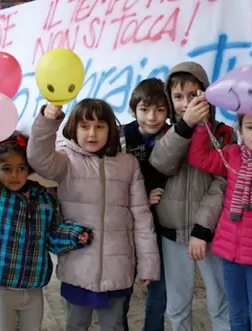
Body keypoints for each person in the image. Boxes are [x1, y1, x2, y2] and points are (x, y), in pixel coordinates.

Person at [27, 99, 160, 331]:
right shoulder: (65, 161)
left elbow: (141, 217)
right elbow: (38, 157)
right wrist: (47, 120)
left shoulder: (127, 164)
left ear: (110, 129)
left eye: (100, 126)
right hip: (79, 266)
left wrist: (148, 263)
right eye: (84, 126)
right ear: (73, 128)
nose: (92, 133)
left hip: (117, 267)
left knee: (114, 325)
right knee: (77, 324)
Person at [0, 132, 92, 331]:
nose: (14, 175)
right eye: (7, 169)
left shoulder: (45, 198)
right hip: (2, 286)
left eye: (21, 168)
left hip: (34, 285)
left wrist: (74, 235)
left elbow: (53, 235)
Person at [186, 107, 252, 330]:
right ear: (240, 130)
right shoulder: (233, 155)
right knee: (237, 316)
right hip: (230, 255)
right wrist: (203, 126)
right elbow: (198, 157)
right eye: (249, 127)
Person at [149, 61, 231, 331]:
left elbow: (221, 184)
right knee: (177, 305)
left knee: (221, 302)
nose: (186, 103)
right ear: (170, 100)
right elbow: (161, 163)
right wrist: (184, 127)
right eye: (178, 97)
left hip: (209, 233)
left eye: (194, 95)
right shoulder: (166, 132)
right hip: (172, 233)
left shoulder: (223, 134)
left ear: (206, 94)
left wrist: (202, 228)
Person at [120, 78, 169, 331]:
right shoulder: (121, 138)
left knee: (159, 288)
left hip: (162, 224)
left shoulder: (174, 136)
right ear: (132, 110)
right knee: (123, 287)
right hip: (130, 225)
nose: (152, 117)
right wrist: (142, 200)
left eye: (160, 110)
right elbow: (114, 183)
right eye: (145, 109)